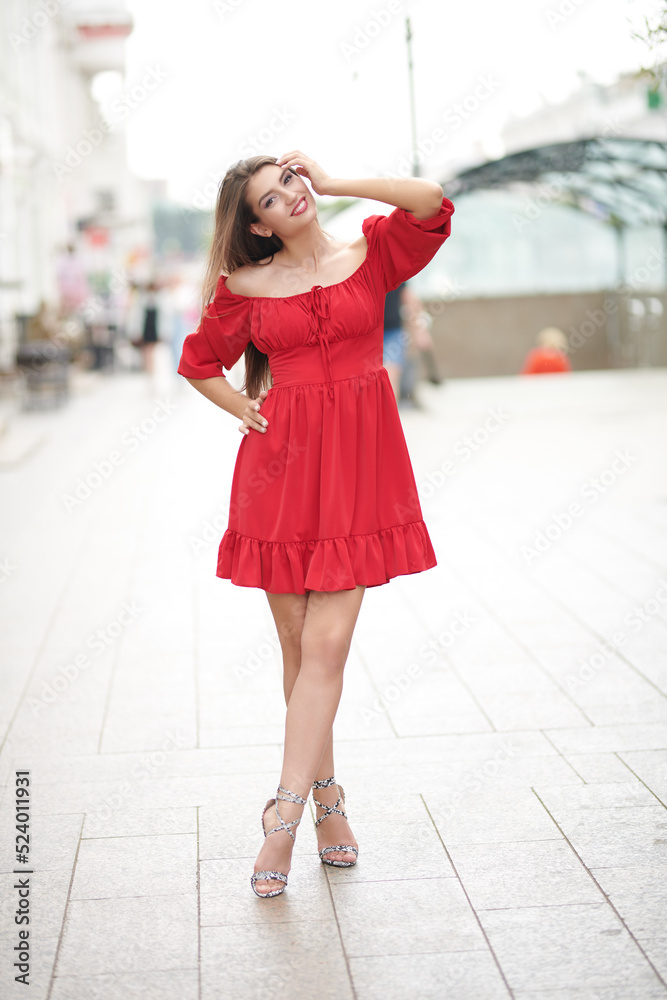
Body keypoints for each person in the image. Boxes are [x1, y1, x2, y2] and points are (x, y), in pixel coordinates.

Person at [177, 150, 454, 898]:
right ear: (257, 226)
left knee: (325, 645)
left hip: (363, 468)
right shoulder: (245, 286)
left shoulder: (371, 252)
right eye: (270, 199)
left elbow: (429, 200)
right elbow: (201, 360)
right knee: (299, 647)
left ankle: (283, 818)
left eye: (291, 183)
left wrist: (334, 179)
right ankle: (330, 804)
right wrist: (239, 407)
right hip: (281, 472)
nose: (289, 199)